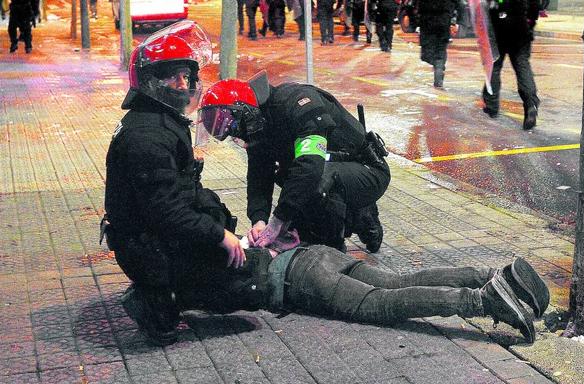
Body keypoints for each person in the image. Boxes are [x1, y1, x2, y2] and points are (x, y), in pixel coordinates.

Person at [101, 21, 246, 346]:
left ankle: (172, 288)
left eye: (186, 76)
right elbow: (167, 212)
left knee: (229, 254)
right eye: (172, 76)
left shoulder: (159, 120)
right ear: (152, 82)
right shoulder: (148, 137)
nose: (182, 85)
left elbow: (183, 191)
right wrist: (218, 236)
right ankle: (156, 299)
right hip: (146, 246)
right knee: (239, 288)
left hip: (151, 235)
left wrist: (221, 222)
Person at [177, 242, 550, 345]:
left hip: (302, 278)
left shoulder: (193, 279)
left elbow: (235, 308)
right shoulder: (207, 241)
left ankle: (484, 300)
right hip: (315, 253)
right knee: (397, 280)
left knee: (380, 303)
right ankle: (493, 275)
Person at [196, 71, 391, 254]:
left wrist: (278, 220)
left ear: (246, 112)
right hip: (330, 172)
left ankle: (336, 246)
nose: (236, 135)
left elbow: (310, 166)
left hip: (368, 170)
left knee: (314, 179)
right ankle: (346, 218)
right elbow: (258, 177)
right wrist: (259, 221)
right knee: (292, 183)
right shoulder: (257, 125)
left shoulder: (297, 101)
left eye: (234, 128)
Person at [482, 0, 540, 130]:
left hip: (498, 29)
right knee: (522, 67)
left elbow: (485, 7)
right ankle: (531, 104)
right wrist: (530, 22)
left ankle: (492, 105)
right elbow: (535, 5)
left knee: (494, 67)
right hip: (520, 27)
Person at [418, 0, 461, 88]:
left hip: (434, 23)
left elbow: (457, 4)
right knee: (432, 54)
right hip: (432, 22)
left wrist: (455, 21)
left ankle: (438, 72)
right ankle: (439, 67)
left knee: (435, 51)